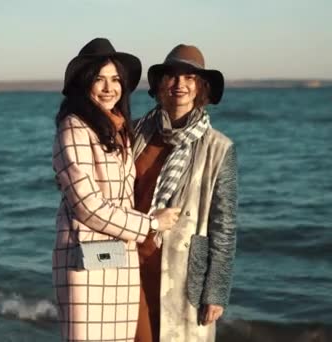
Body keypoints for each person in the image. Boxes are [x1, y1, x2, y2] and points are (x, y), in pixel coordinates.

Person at [52, 38, 180, 342]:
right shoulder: (74, 127)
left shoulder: (118, 129)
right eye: (100, 79)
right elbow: (88, 206)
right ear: (84, 84)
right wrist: (150, 223)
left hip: (117, 260)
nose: (109, 88)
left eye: (116, 80)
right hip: (85, 263)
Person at [133, 44, 238, 342]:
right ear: (159, 85)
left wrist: (216, 290)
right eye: (172, 76)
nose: (179, 84)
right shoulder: (135, 134)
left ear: (200, 87)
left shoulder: (219, 148)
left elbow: (224, 225)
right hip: (128, 264)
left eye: (189, 77)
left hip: (181, 274)